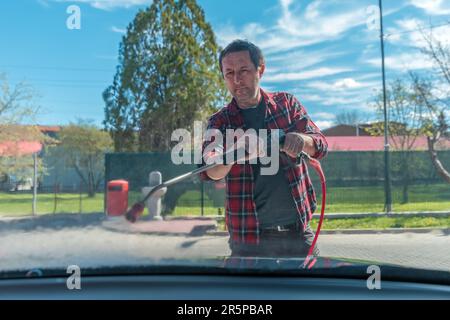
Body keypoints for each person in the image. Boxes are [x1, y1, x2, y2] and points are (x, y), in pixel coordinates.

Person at [199, 39, 328, 259]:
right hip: (247, 242)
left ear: (261, 69)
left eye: (244, 70)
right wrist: (231, 154)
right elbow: (210, 169)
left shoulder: (287, 105)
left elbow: (320, 144)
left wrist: (301, 140)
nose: (237, 80)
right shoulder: (220, 122)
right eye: (229, 73)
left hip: (298, 235)